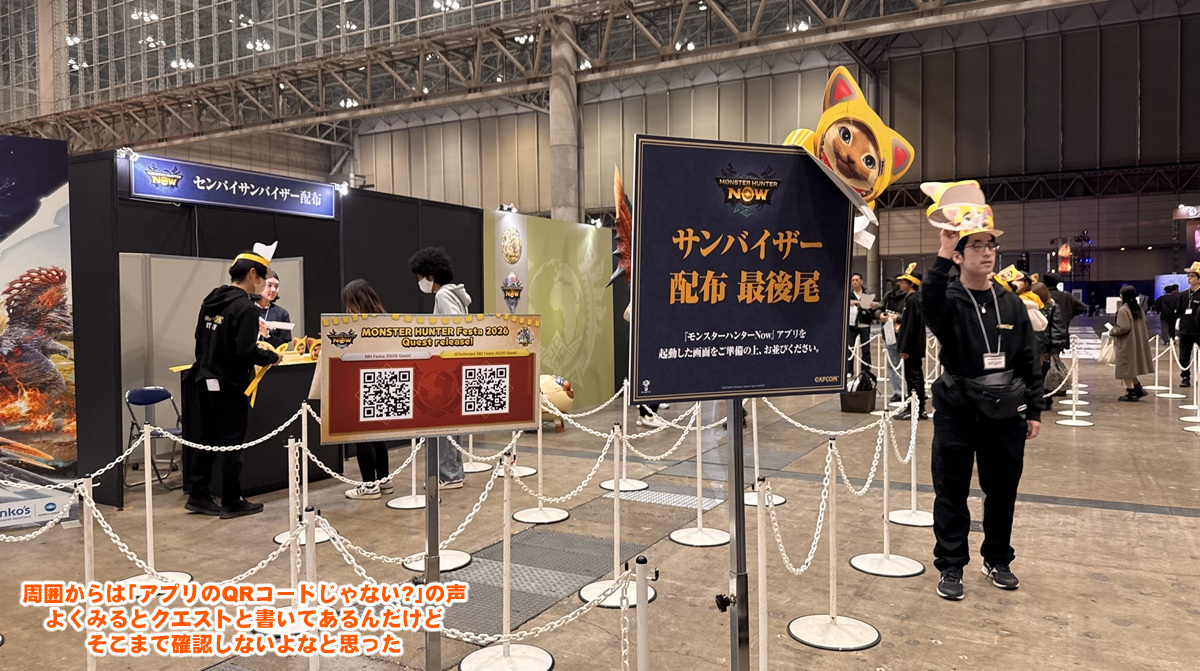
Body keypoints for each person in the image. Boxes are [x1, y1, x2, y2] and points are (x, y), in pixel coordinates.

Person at [922, 226, 1042, 601]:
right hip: (957, 409)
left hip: (1005, 412)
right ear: (959, 256)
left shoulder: (1010, 302)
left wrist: (1034, 408)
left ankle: (998, 559)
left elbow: (1028, 356)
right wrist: (943, 252)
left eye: (991, 245)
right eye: (976, 246)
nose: (987, 252)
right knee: (951, 491)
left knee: (1003, 491)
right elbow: (929, 304)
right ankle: (951, 564)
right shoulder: (950, 299)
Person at [184, 244, 282, 519]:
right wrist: (272, 356)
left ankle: (198, 495)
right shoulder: (246, 308)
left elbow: (199, 340)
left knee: (207, 439)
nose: (262, 284)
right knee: (232, 444)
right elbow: (246, 351)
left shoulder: (212, 300)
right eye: (262, 277)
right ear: (252, 274)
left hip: (204, 379)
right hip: (229, 384)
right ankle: (231, 500)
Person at [409, 247, 471, 489]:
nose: (419, 281)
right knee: (453, 424)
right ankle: (454, 471)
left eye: (420, 277)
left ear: (431, 275)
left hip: (446, 367)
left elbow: (453, 330)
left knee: (443, 423)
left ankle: (448, 474)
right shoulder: (455, 294)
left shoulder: (443, 296)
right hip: (456, 367)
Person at [340, 279, 397, 499]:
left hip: (361, 383)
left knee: (362, 435)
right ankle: (384, 481)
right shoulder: (383, 318)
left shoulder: (357, 323)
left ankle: (369, 485)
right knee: (377, 435)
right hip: (383, 382)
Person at [1110, 285, 1153, 401]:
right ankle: (1137, 388)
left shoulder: (1123, 310)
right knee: (1131, 367)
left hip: (1126, 343)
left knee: (1125, 367)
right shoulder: (1138, 309)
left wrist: (1112, 331)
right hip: (1136, 342)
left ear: (1122, 296)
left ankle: (1131, 391)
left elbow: (1123, 327)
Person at [894, 267, 927, 420]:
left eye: (903, 281)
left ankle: (914, 408)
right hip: (915, 344)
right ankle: (919, 407)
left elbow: (910, 326)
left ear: (911, 283)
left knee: (912, 377)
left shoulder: (913, 300)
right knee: (917, 376)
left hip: (912, 346)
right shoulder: (914, 299)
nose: (900, 283)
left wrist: (904, 347)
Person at [880, 280, 907, 401]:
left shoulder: (909, 297)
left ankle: (915, 391)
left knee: (908, 366)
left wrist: (898, 318)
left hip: (904, 335)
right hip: (889, 334)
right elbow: (879, 308)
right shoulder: (888, 296)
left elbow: (912, 315)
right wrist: (880, 315)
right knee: (892, 365)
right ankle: (898, 392)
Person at [847, 272, 879, 374]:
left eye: (857, 280)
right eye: (853, 280)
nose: (855, 282)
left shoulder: (868, 294)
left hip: (864, 323)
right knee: (850, 348)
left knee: (866, 349)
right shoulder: (848, 294)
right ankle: (849, 370)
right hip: (851, 325)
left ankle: (865, 371)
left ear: (861, 281)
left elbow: (876, 308)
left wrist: (872, 307)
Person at [254, 270, 292, 348]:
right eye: (269, 285)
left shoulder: (282, 314)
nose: (273, 290)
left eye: (276, 286)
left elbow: (283, 345)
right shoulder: (245, 309)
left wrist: (267, 334)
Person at [1177, 263, 1200, 388]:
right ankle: (1185, 377)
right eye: (1188, 276)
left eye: (1192, 276)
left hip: (1198, 330)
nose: (1189, 278)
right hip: (1185, 330)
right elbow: (1179, 310)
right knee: (1184, 355)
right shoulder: (1183, 294)